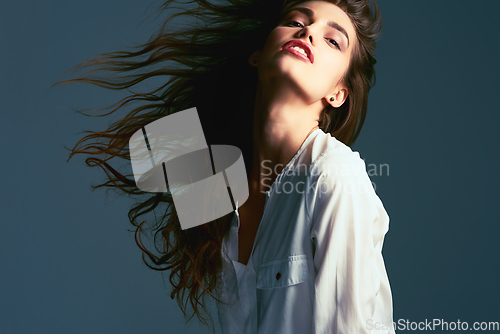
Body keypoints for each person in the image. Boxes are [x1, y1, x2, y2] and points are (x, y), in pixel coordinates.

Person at [53, 0, 395, 333]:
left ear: (338, 94)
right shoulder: (218, 182)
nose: (308, 33)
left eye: (333, 40)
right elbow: (145, 151)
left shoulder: (334, 174)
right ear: (256, 54)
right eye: (295, 21)